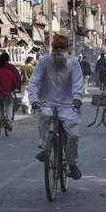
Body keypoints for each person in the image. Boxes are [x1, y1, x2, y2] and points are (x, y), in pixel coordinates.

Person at [28, 35, 83, 180]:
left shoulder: (73, 62)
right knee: (45, 116)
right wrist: (33, 99)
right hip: (47, 101)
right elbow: (34, 81)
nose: (58, 51)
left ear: (67, 49)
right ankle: (44, 148)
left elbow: (78, 81)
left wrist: (77, 98)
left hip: (68, 104)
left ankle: (72, 164)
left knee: (73, 135)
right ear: (52, 48)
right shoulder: (45, 61)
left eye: (61, 48)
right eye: (56, 48)